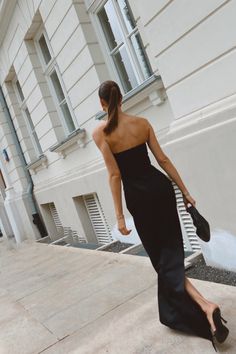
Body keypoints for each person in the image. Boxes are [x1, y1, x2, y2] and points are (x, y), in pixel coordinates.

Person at [92, 80, 229, 351]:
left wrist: (119, 217)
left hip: (139, 198)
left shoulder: (102, 134)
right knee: (170, 253)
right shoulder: (142, 123)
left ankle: (206, 306)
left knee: (163, 261)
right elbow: (163, 160)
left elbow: (115, 174)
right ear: (122, 99)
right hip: (161, 190)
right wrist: (185, 191)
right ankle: (204, 306)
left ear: (102, 103)